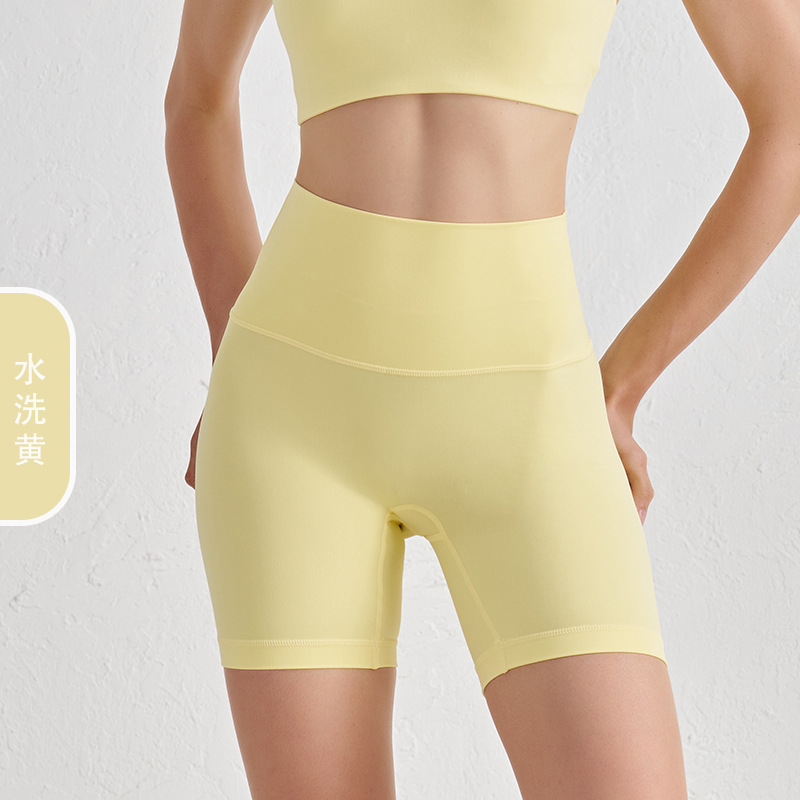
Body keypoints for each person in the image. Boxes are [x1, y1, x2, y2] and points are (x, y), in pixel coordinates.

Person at [164, 1, 800, 797]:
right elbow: (197, 98)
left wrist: (624, 382)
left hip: (531, 411)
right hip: (292, 419)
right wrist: (234, 349)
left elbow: (790, 116)